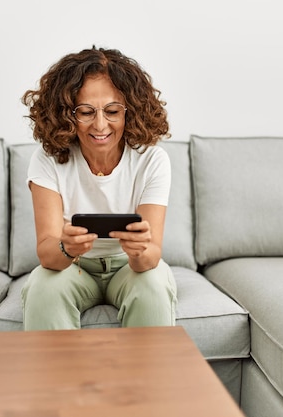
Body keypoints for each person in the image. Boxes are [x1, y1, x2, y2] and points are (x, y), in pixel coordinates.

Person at [20, 46, 177, 330]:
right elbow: (48, 255)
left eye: (113, 111)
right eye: (86, 112)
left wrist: (140, 250)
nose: (101, 124)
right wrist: (66, 248)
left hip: (128, 266)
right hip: (75, 267)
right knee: (43, 287)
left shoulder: (152, 160)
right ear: (66, 114)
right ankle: (57, 377)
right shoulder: (47, 160)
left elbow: (151, 258)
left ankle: (146, 377)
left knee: (152, 285)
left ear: (130, 111)